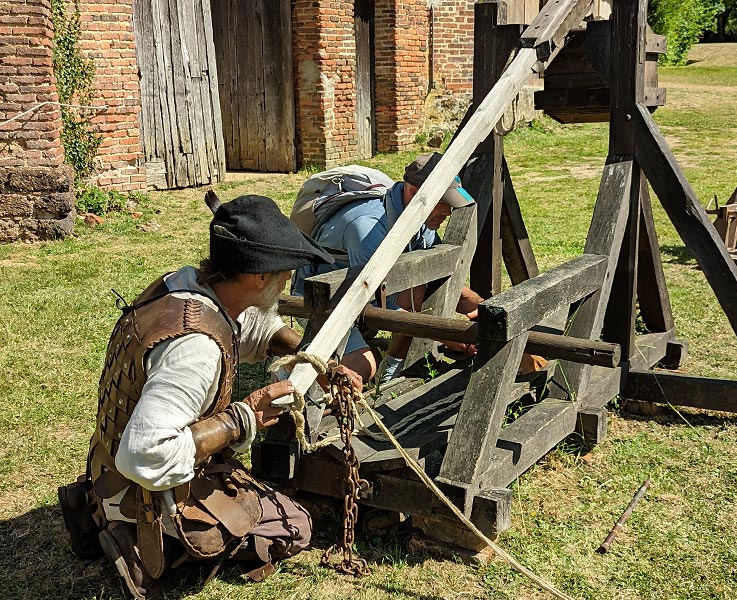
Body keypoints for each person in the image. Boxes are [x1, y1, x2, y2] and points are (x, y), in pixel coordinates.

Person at [63, 195, 361, 599]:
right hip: (142, 484)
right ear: (258, 276)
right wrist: (243, 419)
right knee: (291, 526)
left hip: (108, 464)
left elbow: (251, 325)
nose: (287, 279)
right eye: (284, 271)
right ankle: (141, 542)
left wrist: (309, 356)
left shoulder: (184, 285)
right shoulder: (196, 349)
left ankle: (108, 512)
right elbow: (143, 453)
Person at [292, 152, 546, 385]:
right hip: (324, 301)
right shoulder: (366, 227)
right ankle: (293, 374)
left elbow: (437, 279)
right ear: (414, 192)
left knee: (420, 287)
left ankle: (390, 368)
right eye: (442, 202)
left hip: (374, 294)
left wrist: (484, 312)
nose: (447, 211)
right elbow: (376, 305)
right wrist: (452, 336)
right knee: (363, 368)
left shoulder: (419, 217)